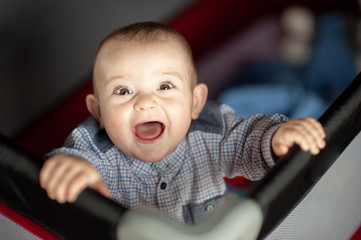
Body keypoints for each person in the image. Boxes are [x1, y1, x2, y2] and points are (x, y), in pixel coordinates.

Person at [39, 22, 326, 224]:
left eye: (164, 86)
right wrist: (72, 168)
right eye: (123, 91)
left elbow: (245, 140)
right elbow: (77, 157)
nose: (145, 102)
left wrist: (276, 137)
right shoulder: (98, 152)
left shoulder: (209, 133)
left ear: (195, 103)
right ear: (98, 111)